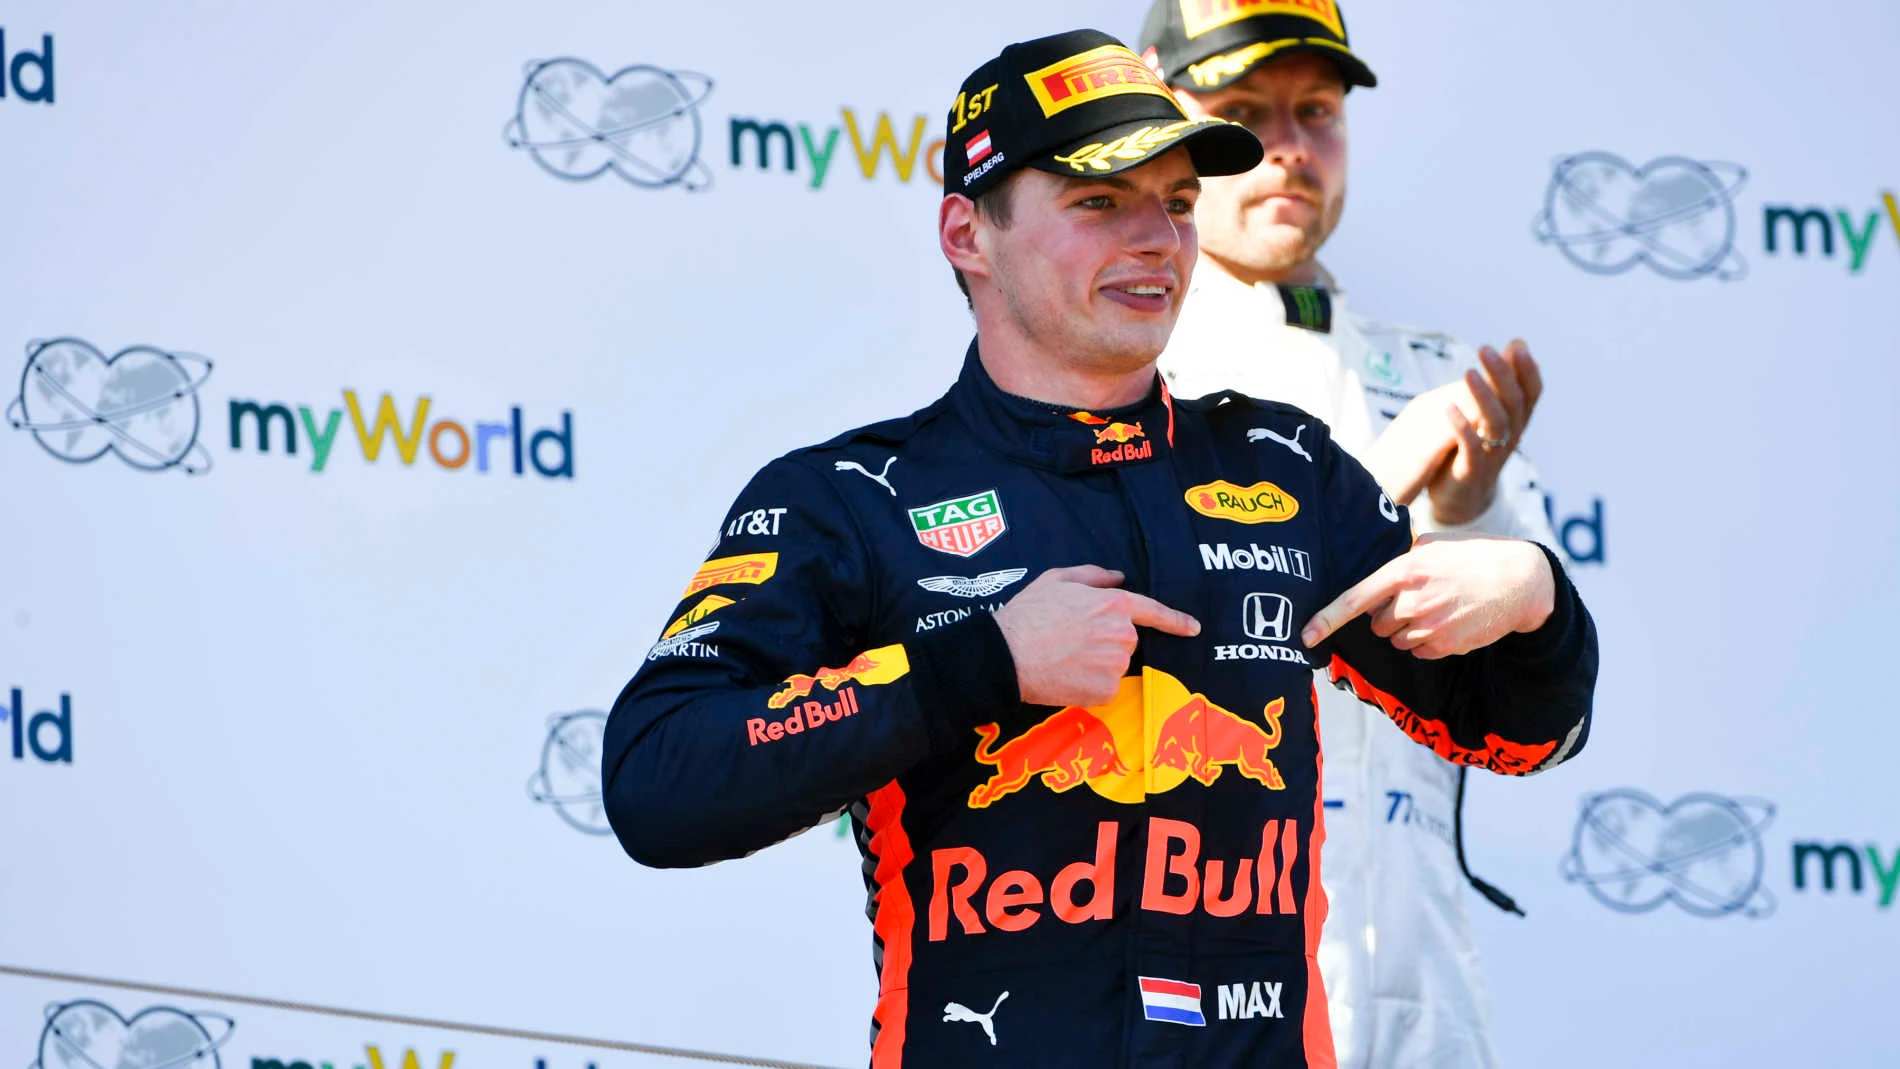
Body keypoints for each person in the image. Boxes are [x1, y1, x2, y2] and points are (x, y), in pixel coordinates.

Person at [601, 27, 1596, 1068]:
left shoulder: (1286, 468)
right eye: (1098, 202)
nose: (1158, 241)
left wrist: (1536, 597)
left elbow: (1516, 731)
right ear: (967, 234)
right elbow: (658, 781)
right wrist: (980, 662)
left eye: (1172, 203)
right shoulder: (850, 498)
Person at [1139, 2, 1560, 1066]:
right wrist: (1379, 481)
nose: (1286, 146)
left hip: (1418, 983)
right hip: (1192, 967)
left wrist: (1472, 511)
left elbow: (1538, 707)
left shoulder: (1428, 370)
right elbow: (1177, 629)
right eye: (1241, 111)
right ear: (1159, 116)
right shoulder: (1108, 368)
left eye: (1315, 111)